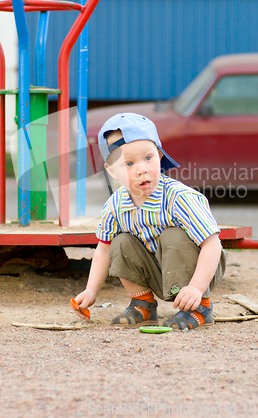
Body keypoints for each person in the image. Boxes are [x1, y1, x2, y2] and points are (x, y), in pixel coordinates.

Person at [74, 113, 227, 330]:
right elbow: (103, 251)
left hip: (201, 270)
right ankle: (143, 303)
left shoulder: (179, 197)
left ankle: (200, 307)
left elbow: (212, 244)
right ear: (111, 171)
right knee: (120, 241)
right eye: (128, 163)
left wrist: (196, 287)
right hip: (159, 270)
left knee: (172, 234)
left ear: (159, 155)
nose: (142, 168)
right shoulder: (116, 205)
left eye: (148, 158)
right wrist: (90, 290)